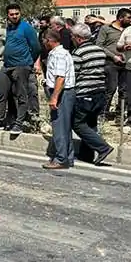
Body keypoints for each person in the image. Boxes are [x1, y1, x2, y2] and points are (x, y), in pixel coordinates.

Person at [68, 23, 115, 165]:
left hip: (85, 93)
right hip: (99, 92)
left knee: (77, 123)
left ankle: (103, 148)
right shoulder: (99, 50)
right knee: (90, 123)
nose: (71, 39)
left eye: (72, 36)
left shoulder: (78, 53)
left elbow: (74, 74)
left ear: (78, 38)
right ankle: (86, 155)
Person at [0, 4, 40, 134]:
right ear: (7, 15)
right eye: (12, 14)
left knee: (21, 95)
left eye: (17, 14)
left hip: (21, 65)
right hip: (7, 65)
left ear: (20, 14)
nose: (14, 16)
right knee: (1, 93)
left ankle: (19, 123)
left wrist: (28, 62)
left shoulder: (27, 28)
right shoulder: (9, 28)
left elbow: (36, 47)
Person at [42, 30, 76, 169]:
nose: (43, 43)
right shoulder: (57, 53)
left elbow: (60, 78)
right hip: (63, 92)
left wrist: (54, 97)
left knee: (59, 126)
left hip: (62, 93)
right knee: (64, 126)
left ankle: (61, 159)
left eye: (44, 40)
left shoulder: (59, 55)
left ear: (49, 40)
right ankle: (68, 156)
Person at [96, 8, 131, 120]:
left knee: (124, 90)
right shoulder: (106, 29)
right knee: (110, 89)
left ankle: (119, 114)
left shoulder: (130, 30)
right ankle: (103, 113)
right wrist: (113, 56)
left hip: (126, 64)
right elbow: (99, 45)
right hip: (110, 63)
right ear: (121, 18)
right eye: (128, 18)